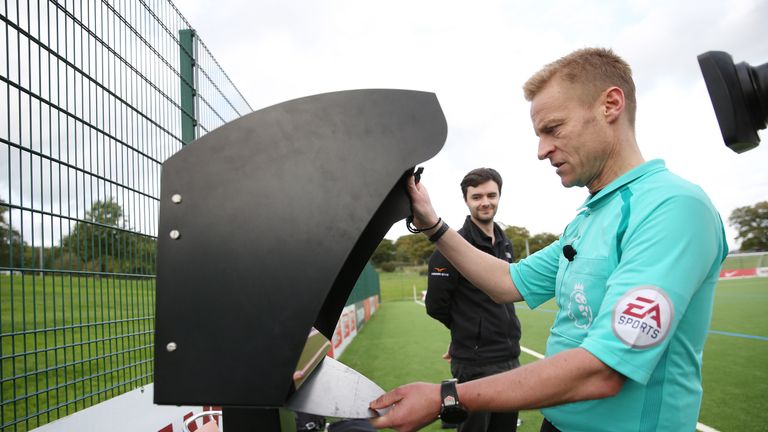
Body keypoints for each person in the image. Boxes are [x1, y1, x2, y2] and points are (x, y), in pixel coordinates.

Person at [369, 47, 728, 432]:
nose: (542, 151)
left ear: (610, 105)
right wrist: (431, 224)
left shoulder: (671, 207)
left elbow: (603, 371)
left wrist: (448, 396)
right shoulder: (588, 219)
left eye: (553, 129)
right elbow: (506, 282)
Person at [425, 168, 520, 432]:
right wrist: (467, 332)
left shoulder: (505, 242)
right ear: (466, 200)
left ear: (500, 196)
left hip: (510, 357)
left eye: (491, 195)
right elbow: (435, 306)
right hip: (475, 364)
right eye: (477, 197)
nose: (485, 202)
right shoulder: (451, 246)